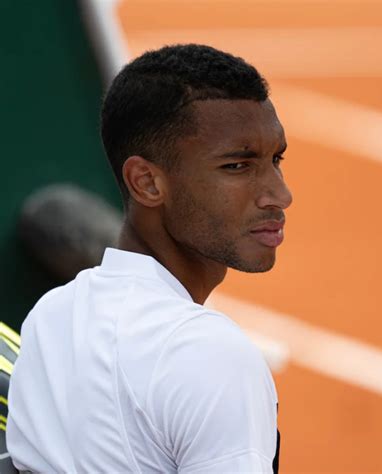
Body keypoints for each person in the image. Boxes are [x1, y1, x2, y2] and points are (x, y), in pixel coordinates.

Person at [7, 44, 292, 473]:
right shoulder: (210, 354)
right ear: (146, 182)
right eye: (237, 166)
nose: (280, 194)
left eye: (276, 160)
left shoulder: (49, 318)